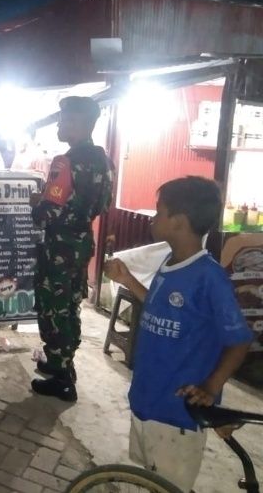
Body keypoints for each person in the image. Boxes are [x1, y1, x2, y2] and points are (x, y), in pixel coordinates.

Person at [105, 177, 253, 492]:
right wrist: (128, 280)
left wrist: (211, 387)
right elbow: (159, 306)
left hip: (176, 414)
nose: (152, 218)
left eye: (159, 212)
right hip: (148, 399)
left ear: (179, 222)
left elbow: (239, 340)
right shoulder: (170, 262)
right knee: (147, 482)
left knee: (167, 485)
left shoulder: (209, 277)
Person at [30, 96, 114, 402]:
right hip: (81, 243)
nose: (59, 125)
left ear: (78, 123)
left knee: (52, 307)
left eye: (63, 120)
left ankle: (62, 379)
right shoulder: (104, 161)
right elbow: (102, 205)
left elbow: (49, 212)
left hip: (58, 247)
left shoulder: (64, 162)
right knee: (70, 304)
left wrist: (36, 204)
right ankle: (62, 362)